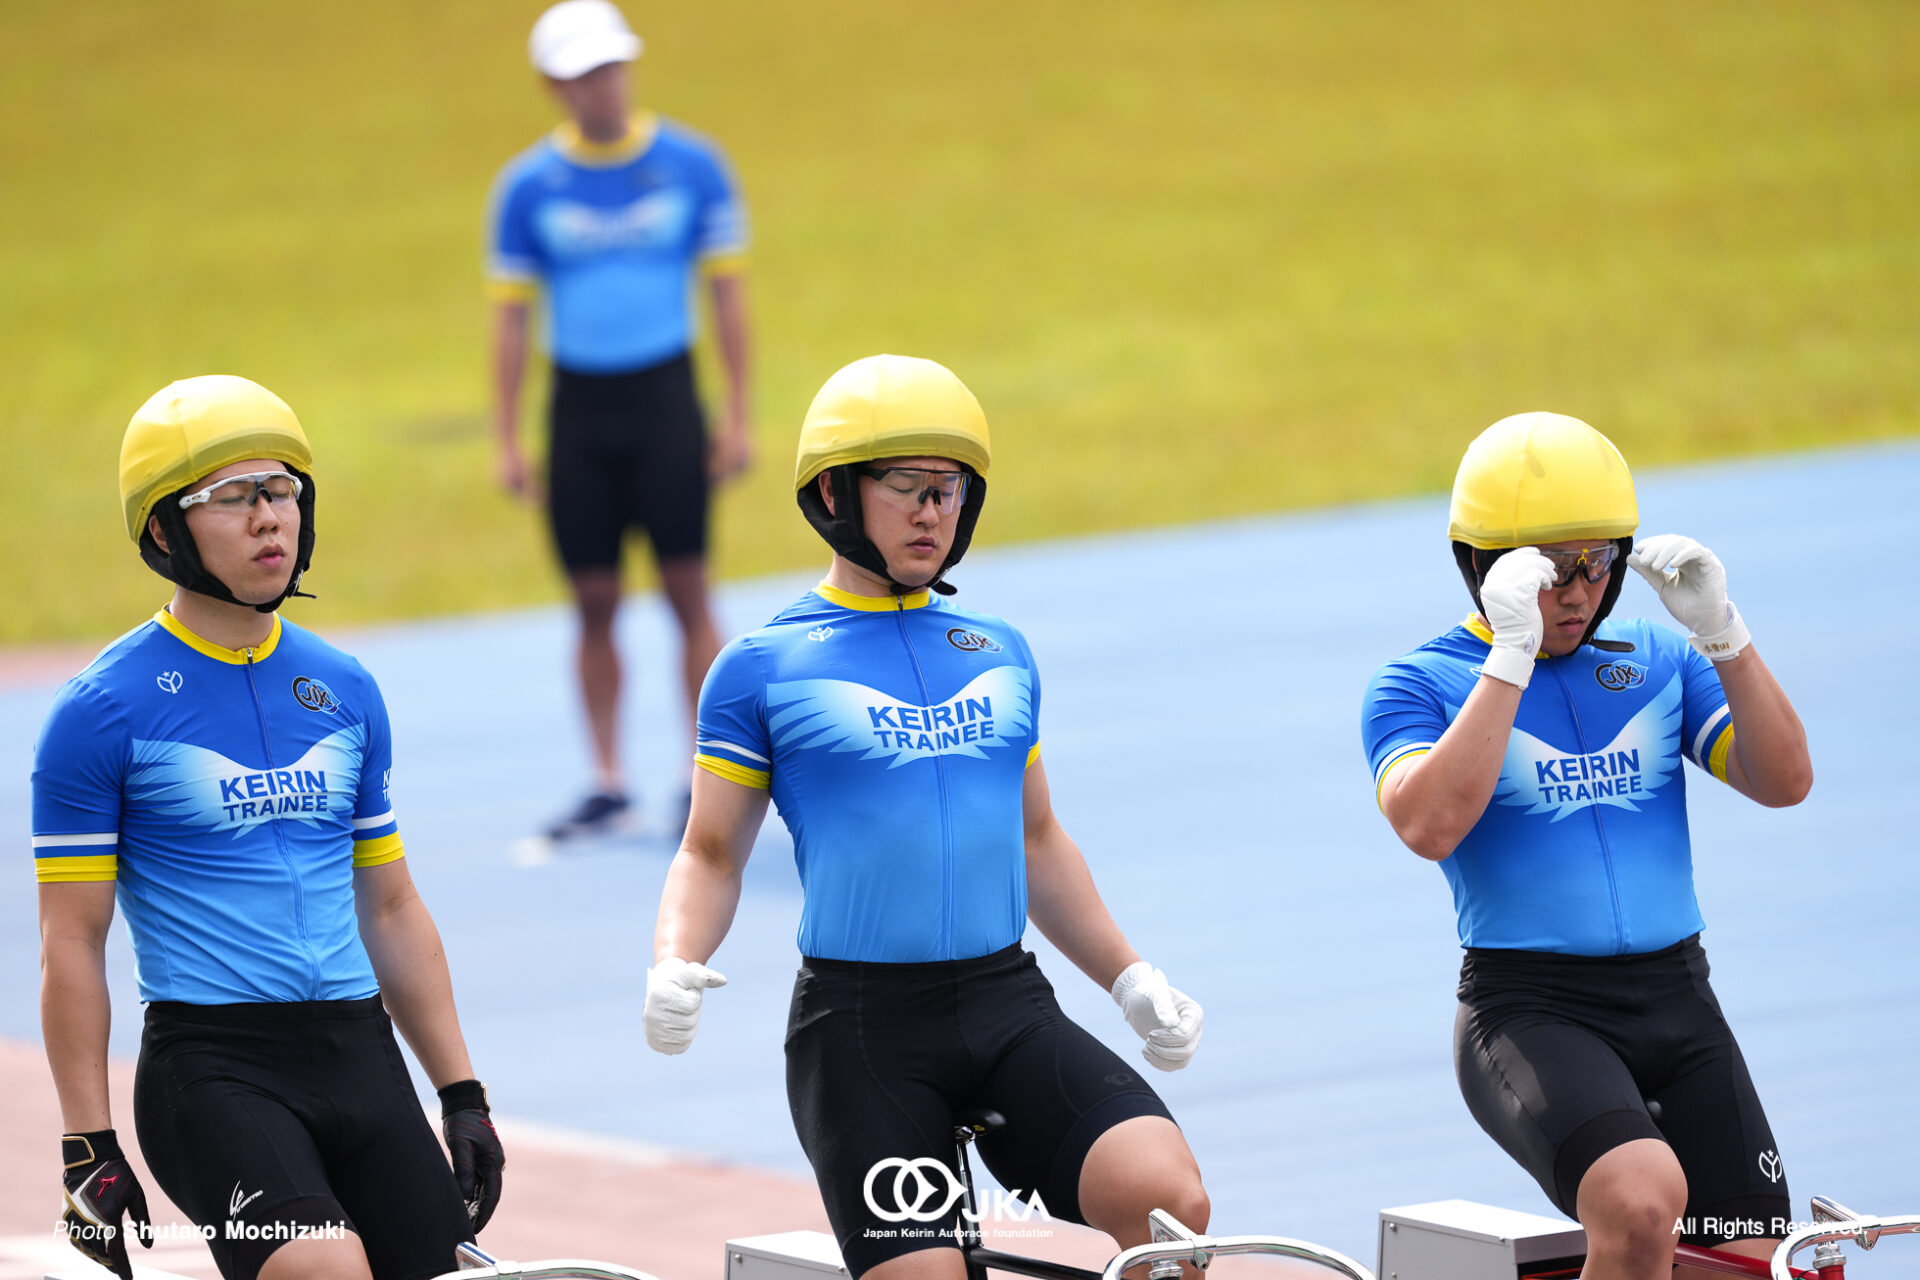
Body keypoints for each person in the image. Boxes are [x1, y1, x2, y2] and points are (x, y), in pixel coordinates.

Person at [644, 355, 1210, 1280]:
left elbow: (1036, 839)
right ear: (835, 494)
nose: (931, 513)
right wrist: (675, 959)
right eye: (906, 487)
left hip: (1006, 1003)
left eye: (949, 490)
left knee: (1172, 1211)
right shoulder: (760, 667)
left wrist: (1130, 978)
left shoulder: (998, 649)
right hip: (863, 1032)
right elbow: (710, 853)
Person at [34, 376, 505, 1280]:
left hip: (358, 1051)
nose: (268, 519)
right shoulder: (101, 711)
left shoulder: (346, 687)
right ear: (164, 530)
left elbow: (391, 906)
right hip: (214, 1070)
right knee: (324, 1270)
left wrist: (462, 1093)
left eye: (282, 490)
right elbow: (72, 941)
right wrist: (86, 1144)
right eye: (233, 497)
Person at [1361, 412, 1814, 1280]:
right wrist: (1511, 657)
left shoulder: (1656, 657)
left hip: (1680, 998)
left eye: (1597, 562)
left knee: (1751, 1258)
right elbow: (1428, 826)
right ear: (1481, 567)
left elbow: (1785, 779)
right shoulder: (1419, 683)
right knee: (1640, 1201)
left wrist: (1725, 636)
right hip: (1532, 1010)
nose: (1576, 591)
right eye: (1549, 569)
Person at [487, 0, 753, 839]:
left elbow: (727, 294)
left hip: (666, 399)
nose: (602, 86)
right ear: (553, 85)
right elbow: (511, 317)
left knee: (688, 589)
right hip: (580, 409)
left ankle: (704, 769)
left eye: (611, 68)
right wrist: (507, 436)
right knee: (593, 597)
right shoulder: (527, 187)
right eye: (584, 74)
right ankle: (607, 779)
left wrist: (738, 414)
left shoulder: (692, 165)